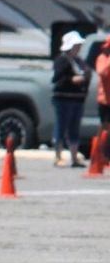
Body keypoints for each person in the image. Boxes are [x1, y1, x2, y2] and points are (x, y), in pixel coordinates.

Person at [51, 31, 89, 167]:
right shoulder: (61, 60)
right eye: (76, 45)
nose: (78, 48)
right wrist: (72, 79)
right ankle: (58, 156)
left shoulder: (79, 61)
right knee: (61, 127)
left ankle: (74, 157)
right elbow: (57, 79)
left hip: (77, 99)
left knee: (74, 128)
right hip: (63, 99)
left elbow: (86, 75)